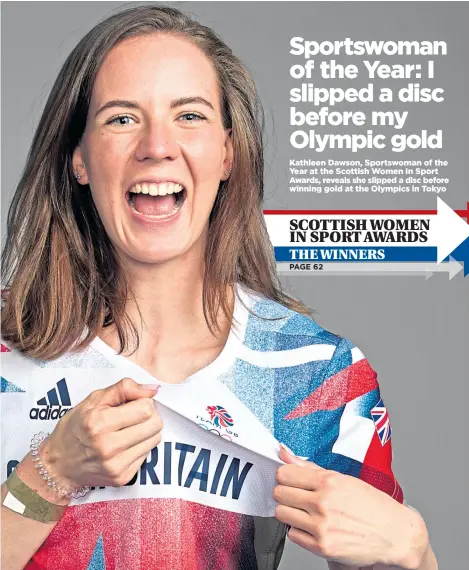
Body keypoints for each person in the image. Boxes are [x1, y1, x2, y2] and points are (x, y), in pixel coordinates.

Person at [1, 5, 437, 570]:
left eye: (190, 115)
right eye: (121, 118)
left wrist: (414, 552)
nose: (157, 146)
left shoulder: (316, 378)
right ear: (79, 158)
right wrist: (49, 473)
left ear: (228, 153)